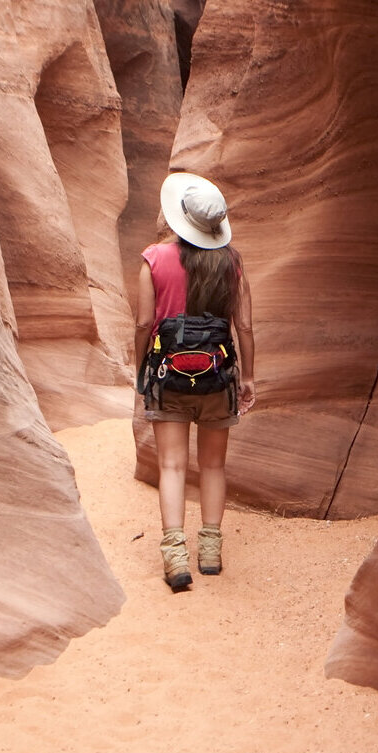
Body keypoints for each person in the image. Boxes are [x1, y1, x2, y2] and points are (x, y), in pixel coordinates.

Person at [133, 172, 257, 592]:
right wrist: (250, 378)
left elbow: (144, 323)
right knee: (213, 465)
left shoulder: (153, 259)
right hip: (217, 378)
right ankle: (210, 552)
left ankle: (175, 558)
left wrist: (140, 370)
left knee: (171, 465)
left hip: (167, 376)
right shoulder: (232, 263)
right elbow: (245, 327)